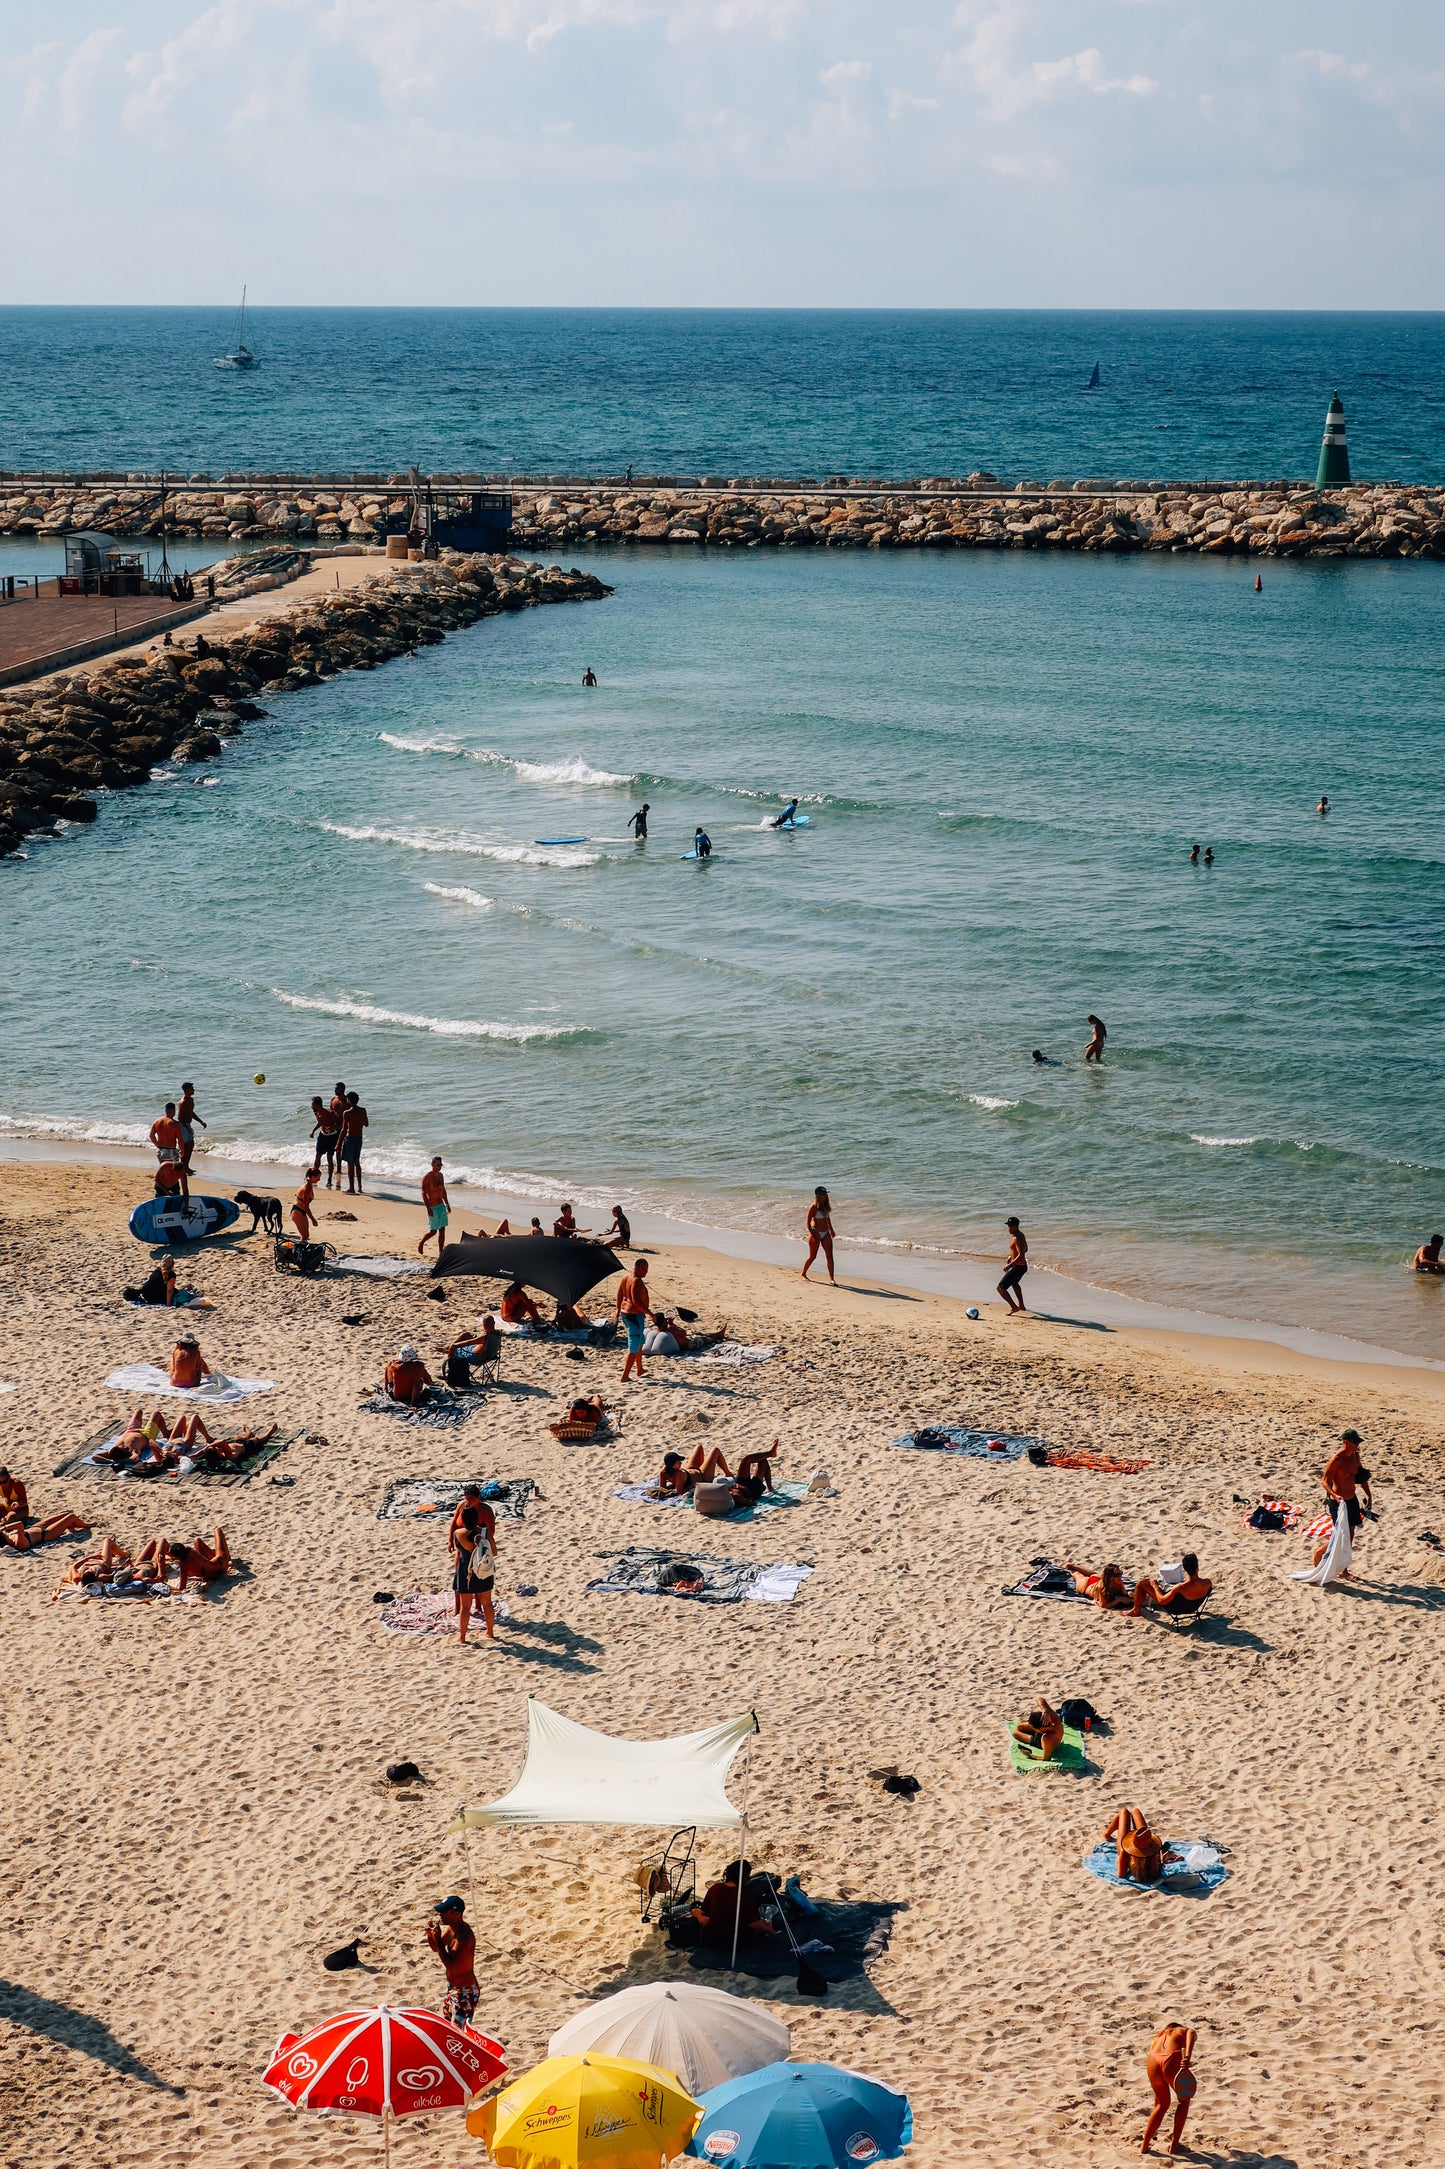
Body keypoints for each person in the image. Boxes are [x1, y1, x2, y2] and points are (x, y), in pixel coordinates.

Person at [692, 1860, 778, 1948]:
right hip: (738, 1943)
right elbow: (755, 1924)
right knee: (761, 1924)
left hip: (712, 1939)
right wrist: (770, 1932)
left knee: (695, 1911)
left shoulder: (715, 1888)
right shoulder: (746, 1894)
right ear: (744, 1878)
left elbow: (704, 1911)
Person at [1142, 2024, 1198, 2156]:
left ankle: (1144, 2144)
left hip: (1152, 2060)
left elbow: (1158, 2101)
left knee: (1161, 2104)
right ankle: (1175, 2145)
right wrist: (1187, 2057)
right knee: (1184, 2101)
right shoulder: (1181, 2030)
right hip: (1171, 2060)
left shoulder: (1159, 2035)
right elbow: (1192, 2032)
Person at [425, 1897, 482, 2023]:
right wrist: (431, 1935)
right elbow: (435, 1948)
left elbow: (451, 1965)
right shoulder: (452, 1928)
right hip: (454, 1988)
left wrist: (438, 1939)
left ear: (456, 1914)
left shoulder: (463, 1937)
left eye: (444, 1912)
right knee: (448, 2028)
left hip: (464, 1992)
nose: (440, 1915)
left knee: (458, 2034)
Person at [452, 1500, 496, 1642]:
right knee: (487, 1603)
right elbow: (494, 1552)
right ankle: (490, 1632)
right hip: (482, 1569)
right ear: (476, 1518)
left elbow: (459, 1552)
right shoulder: (485, 1532)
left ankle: (462, 1637)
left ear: (463, 1519)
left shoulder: (458, 1534)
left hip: (466, 1571)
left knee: (465, 1607)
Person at [1130, 1552, 1212, 1617]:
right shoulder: (1207, 1583)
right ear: (1197, 1568)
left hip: (1175, 1609)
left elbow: (1161, 1600)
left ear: (1185, 1569)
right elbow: (1195, 1586)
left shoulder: (1180, 1587)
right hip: (1193, 1608)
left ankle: (1135, 1610)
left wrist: (1155, 1586)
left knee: (1142, 1583)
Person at [1103, 1806, 1167, 1883]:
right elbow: (1154, 1875)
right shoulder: (1151, 1855)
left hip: (1127, 1851)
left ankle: (1106, 1834)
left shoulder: (1124, 1853)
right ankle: (1107, 1834)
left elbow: (1120, 1876)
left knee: (1124, 1811)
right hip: (1144, 1846)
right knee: (1136, 1813)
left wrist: (1120, 1861)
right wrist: (1161, 1861)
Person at [615, 1256, 653, 1381]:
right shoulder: (636, 1280)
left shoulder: (626, 1277)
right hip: (633, 1315)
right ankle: (625, 1376)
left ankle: (640, 1369)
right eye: (643, 1269)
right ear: (636, 1268)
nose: (645, 1272)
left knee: (641, 1340)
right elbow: (636, 1301)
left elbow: (620, 1293)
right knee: (634, 1346)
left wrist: (617, 1309)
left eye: (647, 1269)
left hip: (626, 1313)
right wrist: (650, 1314)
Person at [167, 1529, 233, 1589]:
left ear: (177, 1556)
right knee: (217, 1530)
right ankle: (227, 1557)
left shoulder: (184, 1566)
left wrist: (170, 1587)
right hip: (222, 1563)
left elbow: (182, 1587)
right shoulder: (192, 1552)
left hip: (213, 1575)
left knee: (198, 1541)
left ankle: (217, 1555)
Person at [150, 1102, 189, 1201]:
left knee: (163, 1171)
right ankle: (170, 1190)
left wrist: (157, 1145)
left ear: (166, 1110)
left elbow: (151, 1136)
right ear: (173, 1111)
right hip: (171, 1150)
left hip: (161, 1150)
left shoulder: (157, 1121)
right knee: (173, 1172)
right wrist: (182, 1151)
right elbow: (180, 1139)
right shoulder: (174, 1124)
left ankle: (162, 1189)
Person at [1012, 1695, 1065, 1762]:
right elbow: (1038, 1698)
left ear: (1039, 1729)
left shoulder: (1046, 1739)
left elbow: (1046, 1759)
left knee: (1015, 1733)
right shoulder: (1053, 1718)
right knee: (1019, 1726)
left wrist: (1030, 1755)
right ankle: (1033, 1729)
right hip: (1043, 1729)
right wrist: (1045, 1709)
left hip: (1043, 1742)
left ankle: (1032, 1736)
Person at [1064, 1560, 1132, 1610]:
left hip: (1098, 1580)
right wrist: (1118, 1600)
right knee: (1077, 1575)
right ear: (1110, 1577)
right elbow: (1103, 1605)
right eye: (1117, 1575)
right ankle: (1070, 1568)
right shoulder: (1103, 1589)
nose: (1120, 1576)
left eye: (1120, 1573)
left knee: (1093, 1573)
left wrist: (1131, 1595)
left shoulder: (1118, 1581)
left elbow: (1125, 1593)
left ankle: (1072, 1565)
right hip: (1086, 1586)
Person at [801, 1187, 835, 1284]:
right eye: (823, 1194)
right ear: (818, 1196)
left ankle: (832, 1279)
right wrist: (812, 1232)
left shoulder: (825, 1206)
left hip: (826, 1233)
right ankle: (803, 1273)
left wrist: (831, 1230)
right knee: (813, 1256)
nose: (825, 1196)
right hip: (816, 1233)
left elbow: (828, 1219)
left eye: (826, 1194)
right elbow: (807, 1222)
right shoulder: (813, 1207)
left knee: (830, 1256)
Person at [419, 1157, 450, 1257]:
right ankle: (422, 1242)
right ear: (432, 1165)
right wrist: (428, 1208)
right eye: (438, 1165)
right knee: (433, 1231)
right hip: (432, 1207)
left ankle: (441, 1251)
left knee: (442, 1229)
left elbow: (443, 1191)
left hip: (441, 1205)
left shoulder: (441, 1176)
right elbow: (424, 1193)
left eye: (441, 1165)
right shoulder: (427, 1177)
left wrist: (447, 1204)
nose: (440, 1167)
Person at [339, 1091, 369, 1195]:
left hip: (350, 1139)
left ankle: (351, 1188)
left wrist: (338, 1144)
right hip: (359, 1139)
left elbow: (343, 1130)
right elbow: (366, 1124)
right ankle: (359, 1186)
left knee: (350, 1164)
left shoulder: (347, 1113)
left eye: (347, 1099)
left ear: (349, 1100)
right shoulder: (362, 1110)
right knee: (357, 1162)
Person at [997, 1216, 1029, 1313]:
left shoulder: (1017, 1238)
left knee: (1000, 1288)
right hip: (1022, 1267)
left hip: (1018, 1267)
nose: (1009, 1228)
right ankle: (1021, 1305)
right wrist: (1011, 1256)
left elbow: (1021, 1254)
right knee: (1014, 1283)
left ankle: (1014, 1307)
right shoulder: (1021, 1235)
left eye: (1011, 1226)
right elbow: (1025, 1249)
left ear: (1017, 1226)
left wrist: (1010, 1264)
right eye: (1008, 1226)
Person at [310, 1094, 341, 1186]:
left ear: (317, 1105)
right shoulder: (316, 1112)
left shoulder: (328, 1112)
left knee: (329, 1158)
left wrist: (332, 1127)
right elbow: (320, 1122)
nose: (311, 1106)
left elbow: (338, 1122)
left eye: (312, 1104)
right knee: (318, 1156)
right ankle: (313, 1177)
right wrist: (313, 1131)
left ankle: (329, 1179)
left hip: (332, 1136)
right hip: (323, 1135)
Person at [177, 1082, 205, 1171]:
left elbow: (191, 1113)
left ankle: (186, 1167)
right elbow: (180, 1117)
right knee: (186, 1147)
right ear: (186, 1090)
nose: (194, 1090)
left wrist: (200, 1121)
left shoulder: (190, 1100)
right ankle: (184, 1167)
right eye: (191, 1088)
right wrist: (186, 1128)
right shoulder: (184, 1101)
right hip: (183, 1125)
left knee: (189, 1146)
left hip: (187, 1125)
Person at [291, 1168, 320, 1244]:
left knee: (306, 1235)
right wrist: (313, 1219)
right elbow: (306, 1206)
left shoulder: (308, 1184)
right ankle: (298, 1252)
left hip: (300, 1211)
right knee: (304, 1236)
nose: (319, 1180)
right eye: (318, 1177)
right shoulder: (307, 1188)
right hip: (297, 1212)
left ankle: (300, 1252)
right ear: (313, 1177)